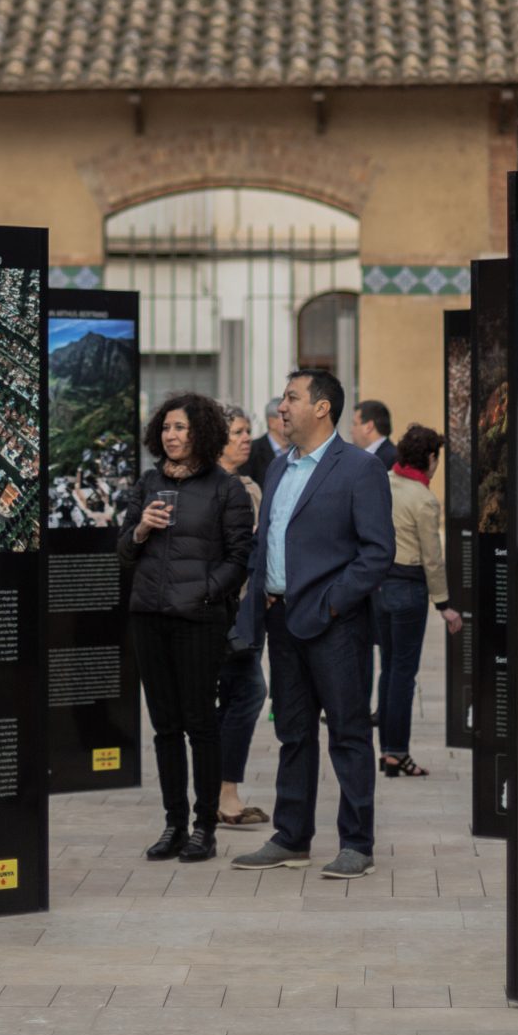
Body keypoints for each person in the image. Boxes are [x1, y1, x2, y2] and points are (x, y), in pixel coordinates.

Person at [230, 368, 395, 879]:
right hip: (282, 623)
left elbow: (377, 552)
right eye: (284, 398)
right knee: (294, 735)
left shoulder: (358, 469)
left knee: (347, 734)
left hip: (334, 626)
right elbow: (268, 543)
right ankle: (291, 837)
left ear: (323, 407)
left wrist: (331, 604)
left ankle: (357, 843)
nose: (282, 406)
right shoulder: (279, 468)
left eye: (292, 397)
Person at [121, 393, 255, 862]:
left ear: (200, 433)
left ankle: (205, 826)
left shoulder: (226, 488)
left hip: (198, 620)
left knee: (201, 725)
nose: (171, 437)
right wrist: (141, 528)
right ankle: (173, 824)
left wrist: (205, 590)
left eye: (180, 428)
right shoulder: (148, 483)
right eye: (166, 429)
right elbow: (123, 549)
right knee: (164, 728)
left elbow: (241, 557)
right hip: (149, 618)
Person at [372, 424, 461, 778]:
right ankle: (398, 753)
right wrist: (444, 604)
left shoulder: (383, 484)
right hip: (408, 590)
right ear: (429, 458)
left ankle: (386, 752)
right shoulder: (424, 499)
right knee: (404, 675)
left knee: (388, 667)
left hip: (379, 587)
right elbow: (432, 558)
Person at [214, 404, 271, 831]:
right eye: (237, 432)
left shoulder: (248, 484)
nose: (246, 438)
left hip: (249, 609)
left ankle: (218, 790)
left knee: (236, 696)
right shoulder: (218, 489)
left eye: (248, 431)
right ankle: (224, 793)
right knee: (248, 692)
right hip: (227, 611)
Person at [248, 396, 288, 487]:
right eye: (285, 417)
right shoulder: (252, 451)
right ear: (271, 422)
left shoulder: (300, 449)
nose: (292, 420)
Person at [351, 399, 397, 476]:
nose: (351, 430)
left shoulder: (392, 459)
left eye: (355, 424)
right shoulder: (364, 457)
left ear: (369, 427)